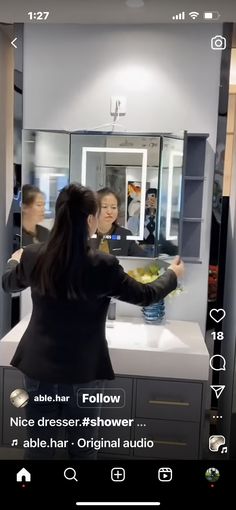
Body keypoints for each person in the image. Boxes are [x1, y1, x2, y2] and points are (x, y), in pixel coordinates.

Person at [2, 183, 184, 460]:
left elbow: (8, 285)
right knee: (83, 450)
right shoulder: (102, 265)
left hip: (38, 368)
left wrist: (16, 261)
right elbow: (146, 295)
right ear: (90, 219)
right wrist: (172, 274)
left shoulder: (34, 256)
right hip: (83, 371)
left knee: (40, 448)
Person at [90, 187, 147, 257]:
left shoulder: (124, 234)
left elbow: (142, 258)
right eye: (104, 207)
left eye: (113, 207)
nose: (109, 212)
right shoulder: (84, 234)